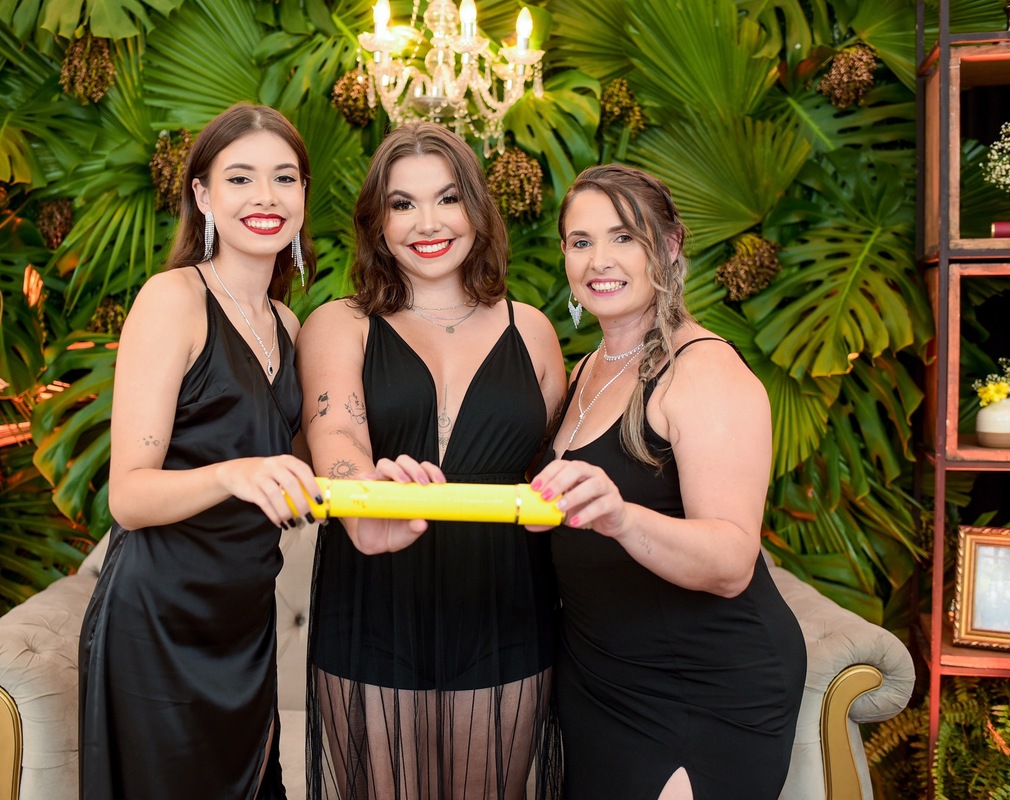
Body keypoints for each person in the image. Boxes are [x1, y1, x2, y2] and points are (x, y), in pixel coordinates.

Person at [297, 122, 566, 799]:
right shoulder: (340, 323)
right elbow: (337, 438)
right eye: (402, 203)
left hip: (504, 608)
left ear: (477, 209)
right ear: (377, 223)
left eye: (447, 198)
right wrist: (367, 498)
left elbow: (553, 463)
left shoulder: (532, 331)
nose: (428, 223)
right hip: (373, 605)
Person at [528, 165, 807, 800]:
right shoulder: (585, 370)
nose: (600, 260)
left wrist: (622, 518)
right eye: (581, 241)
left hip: (701, 690)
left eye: (624, 237)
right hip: (600, 681)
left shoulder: (702, 371)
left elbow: (731, 562)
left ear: (671, 244)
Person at [79, 103, 322, 800]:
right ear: (204, 196)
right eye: (240, 178)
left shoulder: (288, 323)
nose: (266, 197)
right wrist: (234, 474)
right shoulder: (173, 300)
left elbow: (304, 472)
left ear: (303, 195)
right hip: (158, 626)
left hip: (244, 624)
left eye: (284, 178)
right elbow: (129, 496)